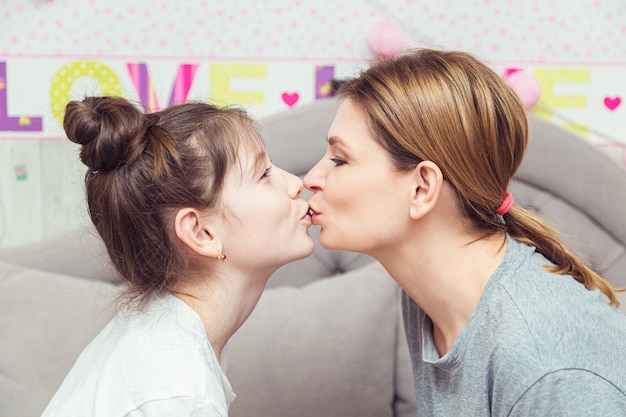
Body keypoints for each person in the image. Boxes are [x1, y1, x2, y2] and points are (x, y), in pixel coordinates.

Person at [304, 48, 626, 416]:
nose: (312, 179)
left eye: (339, 160)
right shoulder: (431, 298)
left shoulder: (547, 365)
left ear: (423, 188)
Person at [41, 96, 314, 416]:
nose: (296, 183)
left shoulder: (167, 342)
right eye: (263, 174)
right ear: (202, 234)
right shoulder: (179, 395)